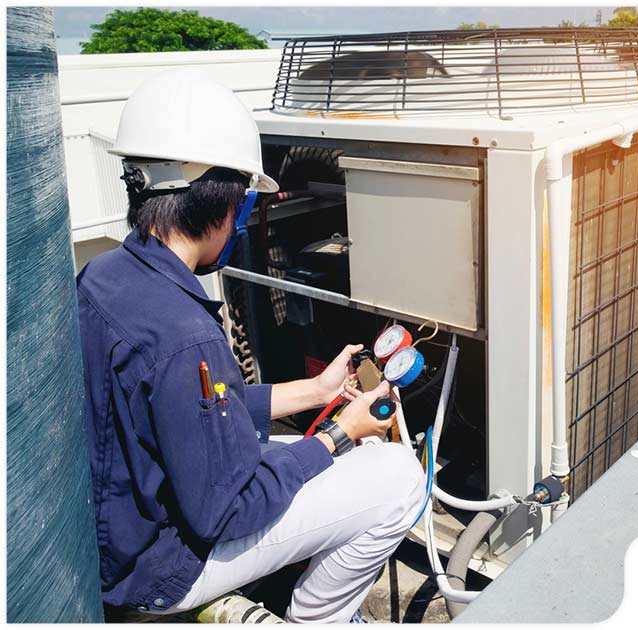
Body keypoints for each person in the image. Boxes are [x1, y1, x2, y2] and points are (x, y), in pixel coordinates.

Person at [76, 68, 425, 623]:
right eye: (242, 204)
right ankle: (318, 617)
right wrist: (339, 435)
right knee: (399, 478)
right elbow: (230, 508)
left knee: (295, 460)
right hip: (160, 569)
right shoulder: (185, 334)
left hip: (116, 538)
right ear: (217, 203)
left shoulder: (104, 276)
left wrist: (315, 390)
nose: (241, 223)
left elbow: (185, 419)